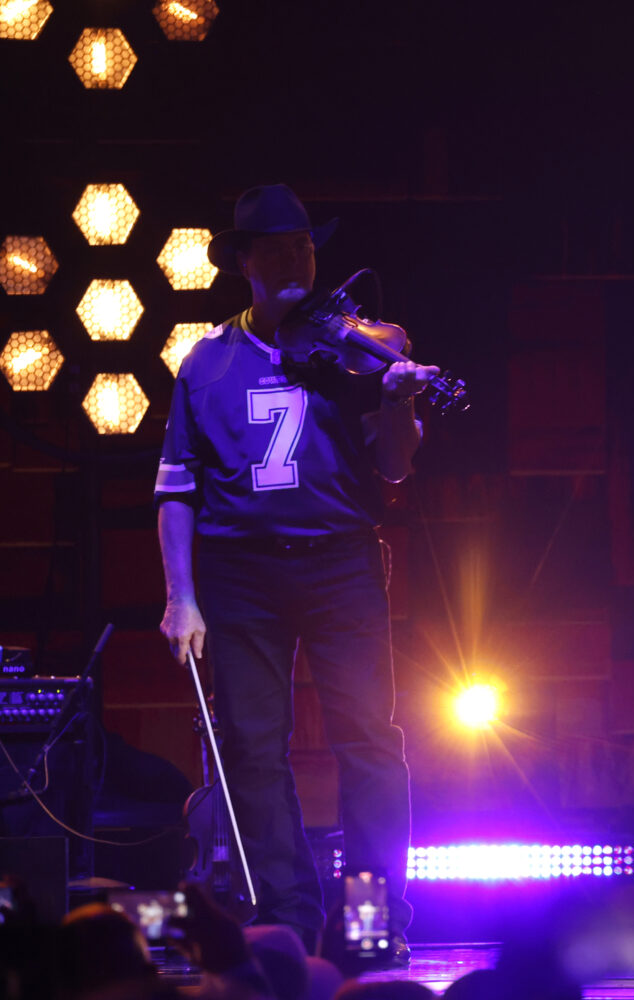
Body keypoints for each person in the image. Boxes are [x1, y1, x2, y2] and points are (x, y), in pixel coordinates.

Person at [156, 183, 437, 963]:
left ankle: (371, 922)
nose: (295, 259)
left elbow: (394, 468)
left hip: (341, 560)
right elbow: (176, 493)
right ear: (243, 261)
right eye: (277, 248)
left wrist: (398, 408)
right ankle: (284, 914)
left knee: (370, 739)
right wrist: (182, 597)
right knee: (251, 745)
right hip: (240, 572)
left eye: (305, 246)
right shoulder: (206, 362)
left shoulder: (364, 347)